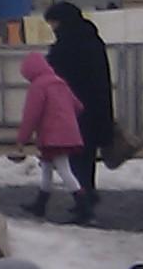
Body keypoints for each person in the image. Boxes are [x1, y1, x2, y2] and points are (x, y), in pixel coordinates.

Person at [44, 2, 116, 209]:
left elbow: (57, 69)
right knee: (87, 155)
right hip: (95, 107)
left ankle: (83, 199)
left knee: (77, 155)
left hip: (76, 108)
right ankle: (88, 192)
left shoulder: (69, 43)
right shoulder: (90, 38)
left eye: (54, 23)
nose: (53, 28)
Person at [14, 53, 90, 223]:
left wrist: (22, 139)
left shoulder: (38, 87)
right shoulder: (59, 82)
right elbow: (79, 106)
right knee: (47, 167)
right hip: (66, 133)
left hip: (53, 136)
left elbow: (31, 116)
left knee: (64, 169)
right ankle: (40, 204)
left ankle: (84, 207)